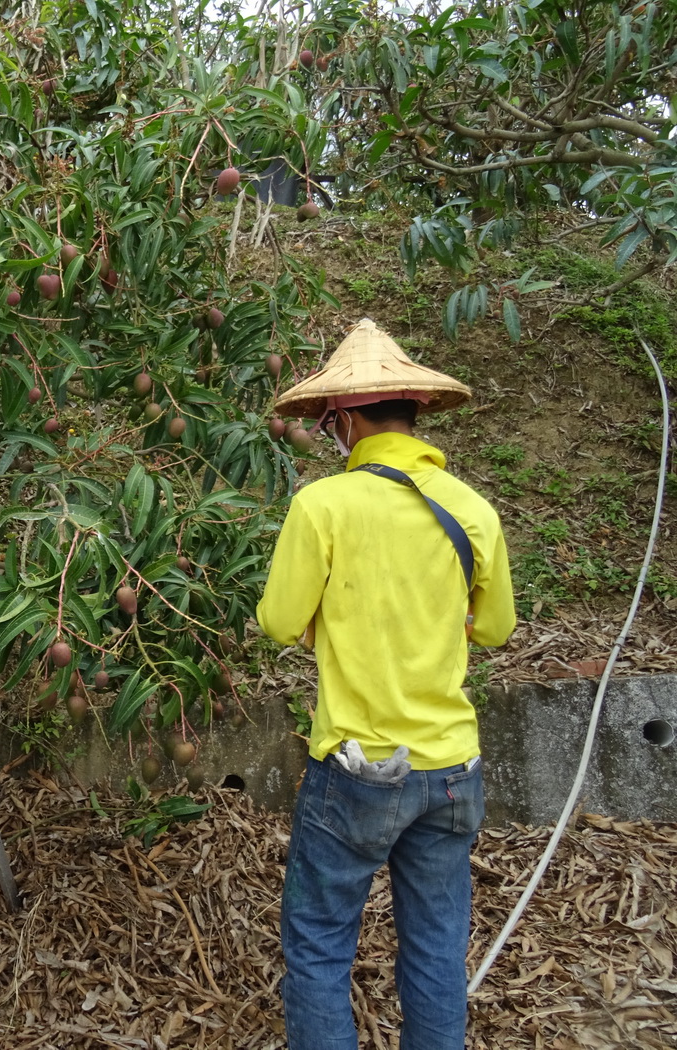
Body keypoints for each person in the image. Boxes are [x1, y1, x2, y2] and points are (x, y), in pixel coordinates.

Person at [256, 319, 515, 1050]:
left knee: (319, 946)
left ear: (342, 421)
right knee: (435, 950)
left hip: (356, 773)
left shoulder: (323, 506)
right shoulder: (473, 509)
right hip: (451, 773)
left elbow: (279, 622)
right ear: (415, 414)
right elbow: (494, 629)